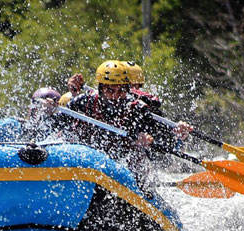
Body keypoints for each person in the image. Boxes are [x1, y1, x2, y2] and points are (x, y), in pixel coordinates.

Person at [62, 60, 192, 166]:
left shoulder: (137, 109)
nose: (115, 96)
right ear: (100, 88)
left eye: (121, 90)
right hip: (88, 161)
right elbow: (56, 124)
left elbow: (164, 140)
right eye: (110, 90)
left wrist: (176, 134)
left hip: (124, 167)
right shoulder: (84, 101)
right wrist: (50, 109)